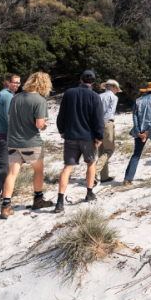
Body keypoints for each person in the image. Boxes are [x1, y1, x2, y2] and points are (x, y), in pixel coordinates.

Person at [0, 72, 54, 219]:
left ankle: (5, 206)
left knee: (12, 174)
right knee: (38, 170)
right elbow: (39, 124)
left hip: (13, 141)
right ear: (44, 84)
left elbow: (9, 118)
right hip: (31, 142)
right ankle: (38, 199)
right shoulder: (39, 100)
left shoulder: (15, 97)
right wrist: (43, 127)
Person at [55, 70, 104, 213]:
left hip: (71, 135)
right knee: (90, 164)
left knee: (67, 168)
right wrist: (99, 137)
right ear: (93, 82)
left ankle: (59, 201)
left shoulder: (69, 93)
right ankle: (89, 193)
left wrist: (61, 130)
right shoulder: (95, 96)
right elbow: (98, 120)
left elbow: (61, 114)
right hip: (88, 137)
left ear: (80, 79)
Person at [0, 73, 20, 208]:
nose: (17, 85)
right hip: (3, 135)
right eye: (14, 82)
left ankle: (2, 193)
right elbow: (10, 117)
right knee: (2, 167)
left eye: (18, 83)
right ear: (7, 82)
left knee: (6, 166)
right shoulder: (8, 96)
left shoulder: (0, 94)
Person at [123, 82, 151, 185]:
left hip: (139, 132)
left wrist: (138, 131)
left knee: (136, 154)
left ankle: (128, 179)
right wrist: (147, 132)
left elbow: (134, 117)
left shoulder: (138, 101)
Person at [94, 79, 120, 185]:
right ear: (114, 88)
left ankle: (104, 177)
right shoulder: (113, 97)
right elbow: (110, 111)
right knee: (109, 150)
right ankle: (94, 172)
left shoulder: (98, 96)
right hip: (106, 123)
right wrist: (103, 124)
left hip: (96, 124)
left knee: (101, 150)